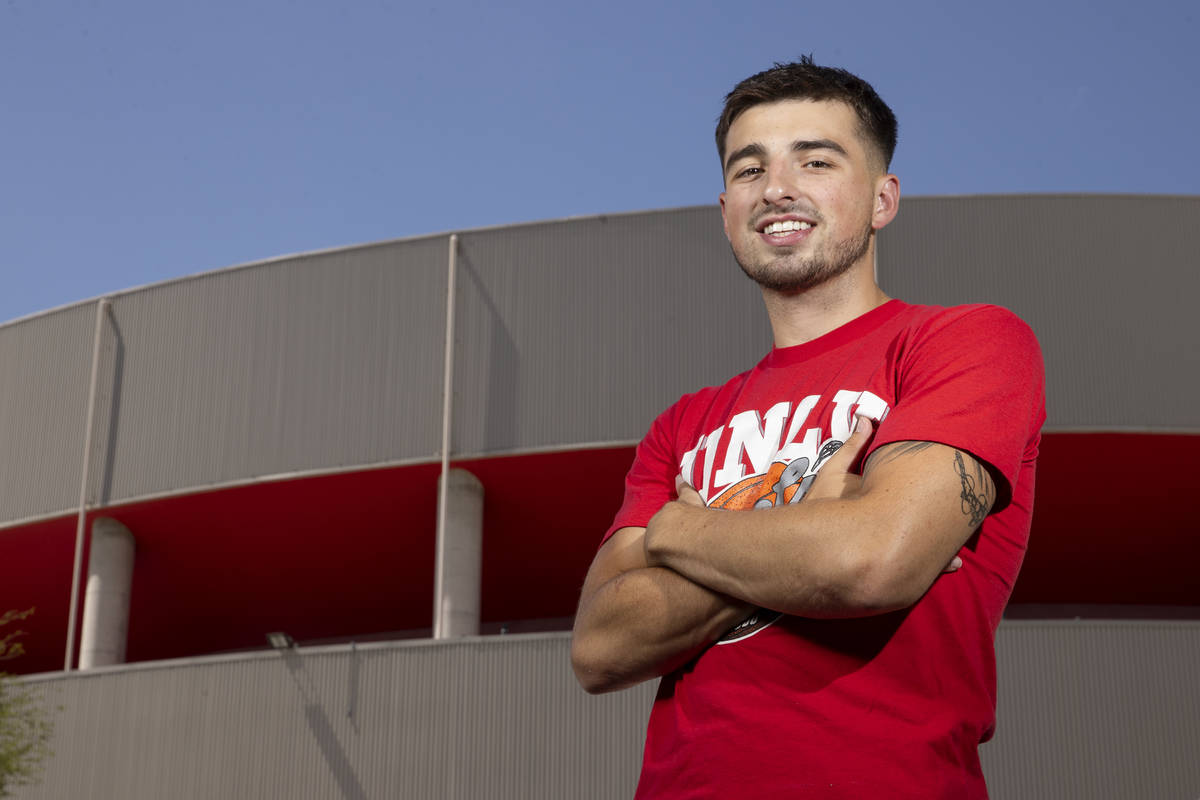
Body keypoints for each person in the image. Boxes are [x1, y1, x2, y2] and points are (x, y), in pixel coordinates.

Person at [570, 57, 1045, 798]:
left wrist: (678, 534)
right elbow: (600, 647)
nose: (778, 188)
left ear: (883, 198)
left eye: (816, 160)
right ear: (726, 206)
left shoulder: (966, 342)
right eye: (751, 169)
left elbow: (873, 562)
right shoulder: (684, 425)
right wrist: (810, 528)